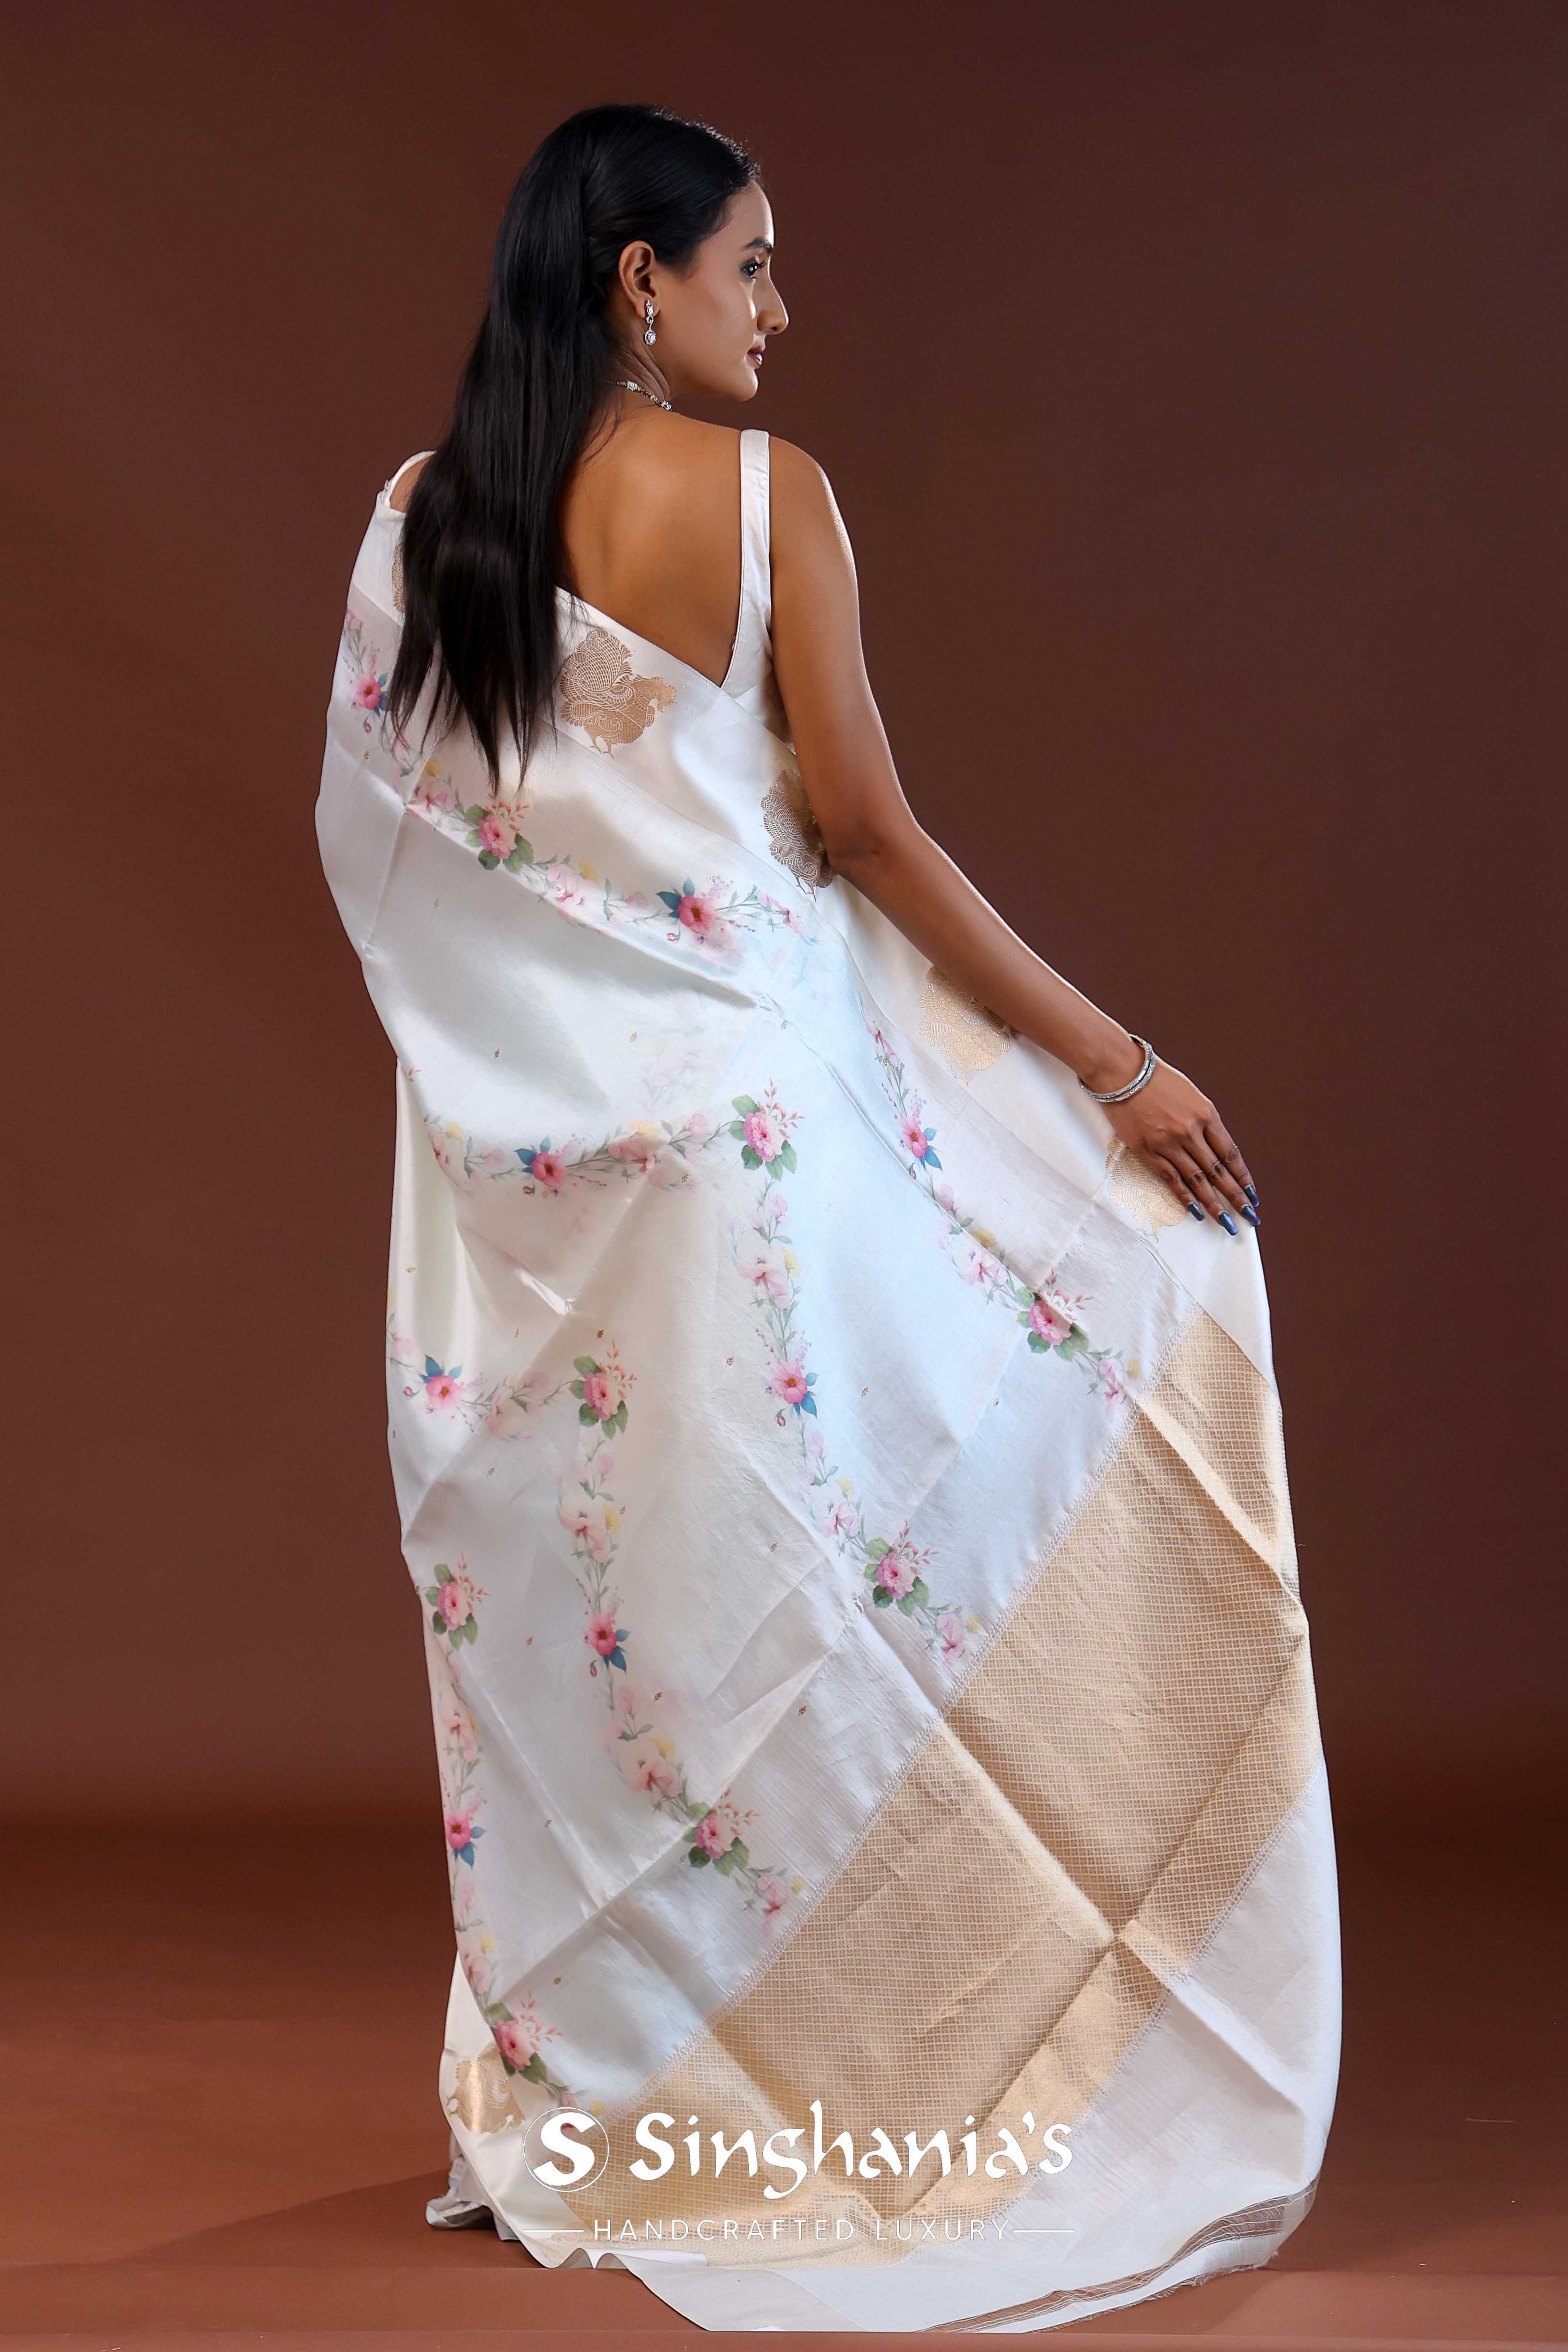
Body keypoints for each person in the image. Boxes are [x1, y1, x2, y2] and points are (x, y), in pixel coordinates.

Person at [317, 102, 1340, 2336]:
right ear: (641, 282)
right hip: (770, 1155)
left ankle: (635, 2089)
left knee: (633, 1629)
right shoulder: (771, 500)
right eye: (751, 264)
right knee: (814, 1609)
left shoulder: (421, 517)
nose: (779, 306)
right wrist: (1117, 1064)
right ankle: (848, 2077)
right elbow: (865, 833)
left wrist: (553, 1058)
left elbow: (403, 861)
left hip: (563, 1182)